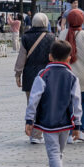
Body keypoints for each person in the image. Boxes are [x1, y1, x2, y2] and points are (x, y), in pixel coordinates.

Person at [25, 39, 82, 167]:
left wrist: (29, 120)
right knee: (58, 154)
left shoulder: (43, 75)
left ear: (50, 56)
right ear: (69, 58)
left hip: (48, 122)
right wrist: (77, 125)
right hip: (66, 122)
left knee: (54, 154)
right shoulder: (72, 77)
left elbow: (33, 99)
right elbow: (77, 102)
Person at [15, 12, 57, 144]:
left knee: (31, 103)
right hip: (46, 75)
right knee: (44, 104)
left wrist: (18, 74)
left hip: (30, 75)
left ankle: (33, 133)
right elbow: (55, 57)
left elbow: (21, 56)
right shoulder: (51, 37)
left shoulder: (26, 37)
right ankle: (38, 134)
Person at [59, 9, 84, 143]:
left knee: (68, 103)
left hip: (66, 74)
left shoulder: (62, 34)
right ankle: (81, 130)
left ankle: (70, 133)